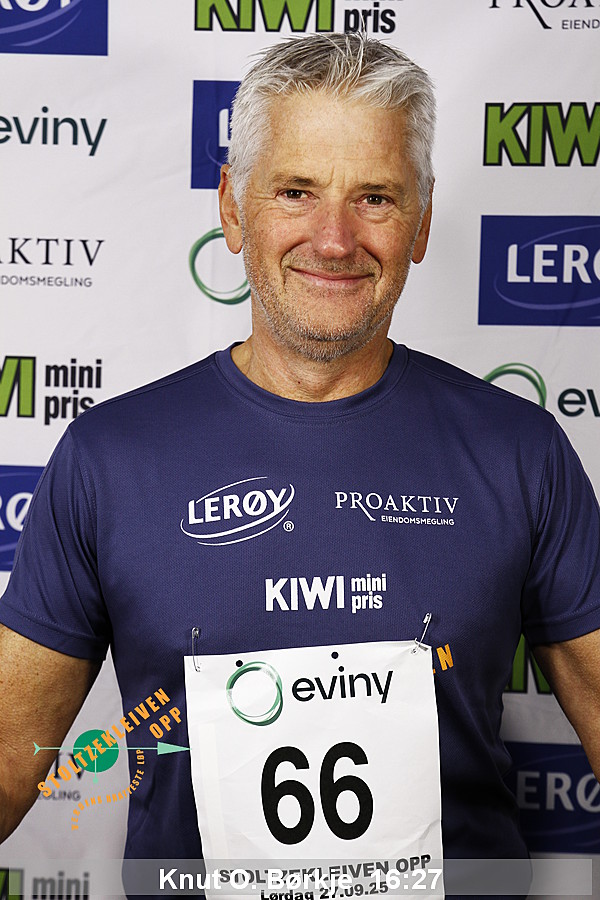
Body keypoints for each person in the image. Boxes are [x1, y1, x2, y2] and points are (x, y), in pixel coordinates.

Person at [1, 32, 599, 898]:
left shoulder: (521, 453)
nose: (335, 238)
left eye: (375, 198)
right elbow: (11, 755)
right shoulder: (110, 459)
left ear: (422, 222)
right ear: (233, 209)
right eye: (296, 192)